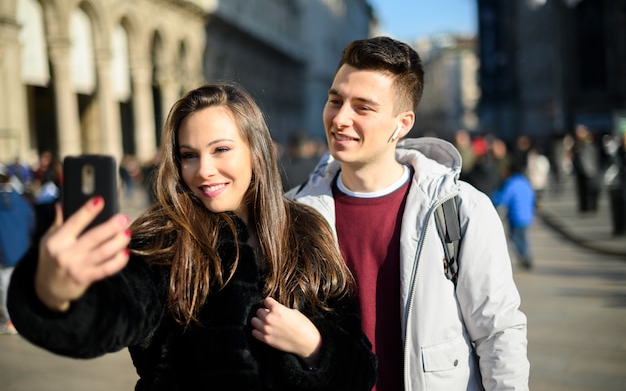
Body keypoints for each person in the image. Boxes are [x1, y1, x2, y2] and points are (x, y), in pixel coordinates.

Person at [8, 83, 376, 390]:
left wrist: (313, 345)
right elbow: (116, 311)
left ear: (256, 151)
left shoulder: (307, 232)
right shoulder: (163, 240)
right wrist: (56, 293)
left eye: (221, 149)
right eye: (188, 155)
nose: (204, 171)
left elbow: (360, 368)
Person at [286, 36, 529, 390]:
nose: (340, 118)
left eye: (362, 108)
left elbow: (498, 333)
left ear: (403, 123)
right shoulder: (295, 212)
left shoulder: (459, 209)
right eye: (335, 100)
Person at [0, 164, 35, 334]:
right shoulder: (19, 198)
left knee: (6, 284)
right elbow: (31, 220)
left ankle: (11, 320)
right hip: (21, 248)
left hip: (4, 252)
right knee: (21, 283)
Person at [491, 162, 536, 269]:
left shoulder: (511, 183)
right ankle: (525, 256)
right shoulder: (525, 182)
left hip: (516, 217)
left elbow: (503, 198)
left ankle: (525, 257)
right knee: (522, 237)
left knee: (516, 238)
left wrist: (493, 196)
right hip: (527, 216)